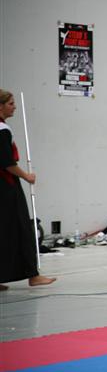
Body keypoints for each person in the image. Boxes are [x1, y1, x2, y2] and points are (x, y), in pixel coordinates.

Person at [0, 89, 56, 290]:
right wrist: (26, 176)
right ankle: (33, 274)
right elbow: (6, 162)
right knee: (22, 228)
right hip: (6, 187)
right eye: (10, 103)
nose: (14, 107)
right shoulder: (2, 130)